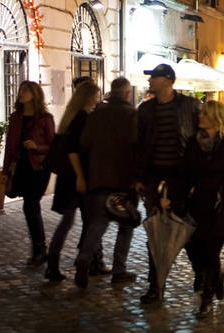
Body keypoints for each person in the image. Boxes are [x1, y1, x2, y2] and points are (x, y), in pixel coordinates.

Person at [162, 99, 224, 316]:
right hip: (196, 205)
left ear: (215, 118)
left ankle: (206, 298)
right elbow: (184, 176)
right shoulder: (193, 143)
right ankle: (215, 279)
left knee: (211, 252)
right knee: (194, 251)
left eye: (205, 114)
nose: (200, 116)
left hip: (220, 208)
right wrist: (171, 198)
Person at [136, 63, 202, 303]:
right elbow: (138, 145)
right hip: (154, 180)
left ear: (168, 80)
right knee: (155, 234)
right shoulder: (145, 110)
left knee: (185, 231)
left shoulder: (189, 106)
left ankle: (201, 275)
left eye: (154, 77)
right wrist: (139, 178)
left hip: (181, 179)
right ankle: (155, 287)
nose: (150, 81)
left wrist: (197, 179)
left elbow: (199, 141)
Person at [74, 78, 139, 288]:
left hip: (99, 177)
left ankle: (84, 257)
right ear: (128, 94)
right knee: (126, 225)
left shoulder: (97, 113)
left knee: (97, 224)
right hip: (123, 180)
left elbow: (84, 142)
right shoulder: (132, 114)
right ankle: (119, 269)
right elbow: (137, 146)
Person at [46, 80, 100, 281]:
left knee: (71, 222)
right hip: (76, 179)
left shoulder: (71, 117)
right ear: (88, 96)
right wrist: (80, 177)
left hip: (69, 179)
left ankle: (56, 263)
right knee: (84, 222)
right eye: (96, 94)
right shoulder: (81, 118)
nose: (98, 98)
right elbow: (73, 150)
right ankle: (81, 264)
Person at [3, 81, 56, 266]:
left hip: (39, 167)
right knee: (30, 206)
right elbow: (9, 147)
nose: (21, 93)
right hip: (21, 166)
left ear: (35, 94)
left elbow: (53, 146)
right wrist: (5, 170)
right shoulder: (16, 117)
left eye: (25, 90)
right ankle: (39, 250)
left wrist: (37, 146)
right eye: (21, 90)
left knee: (31, 205)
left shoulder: (44, 118)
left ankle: (40, 250)